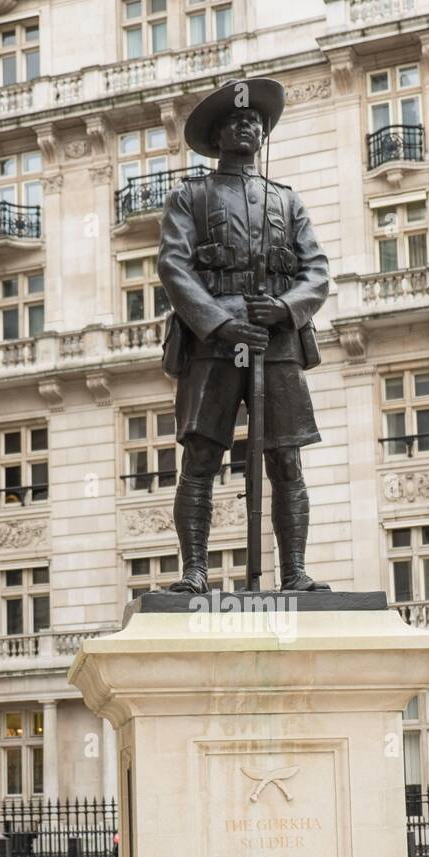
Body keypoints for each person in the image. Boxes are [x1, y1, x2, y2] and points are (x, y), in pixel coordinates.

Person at [157, 76, 330, 593]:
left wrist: (284, 307)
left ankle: (294, 572)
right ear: (218, 136)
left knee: (286, 457)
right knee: (202, 456)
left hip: (277, 341)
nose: (248, 126)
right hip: (211, 341)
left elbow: (316, 271)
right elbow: (174, 266)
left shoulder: (288, 201)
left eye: (255, 121)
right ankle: (193, 572)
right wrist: (218, 322)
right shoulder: (192, 196)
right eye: (237, 120)